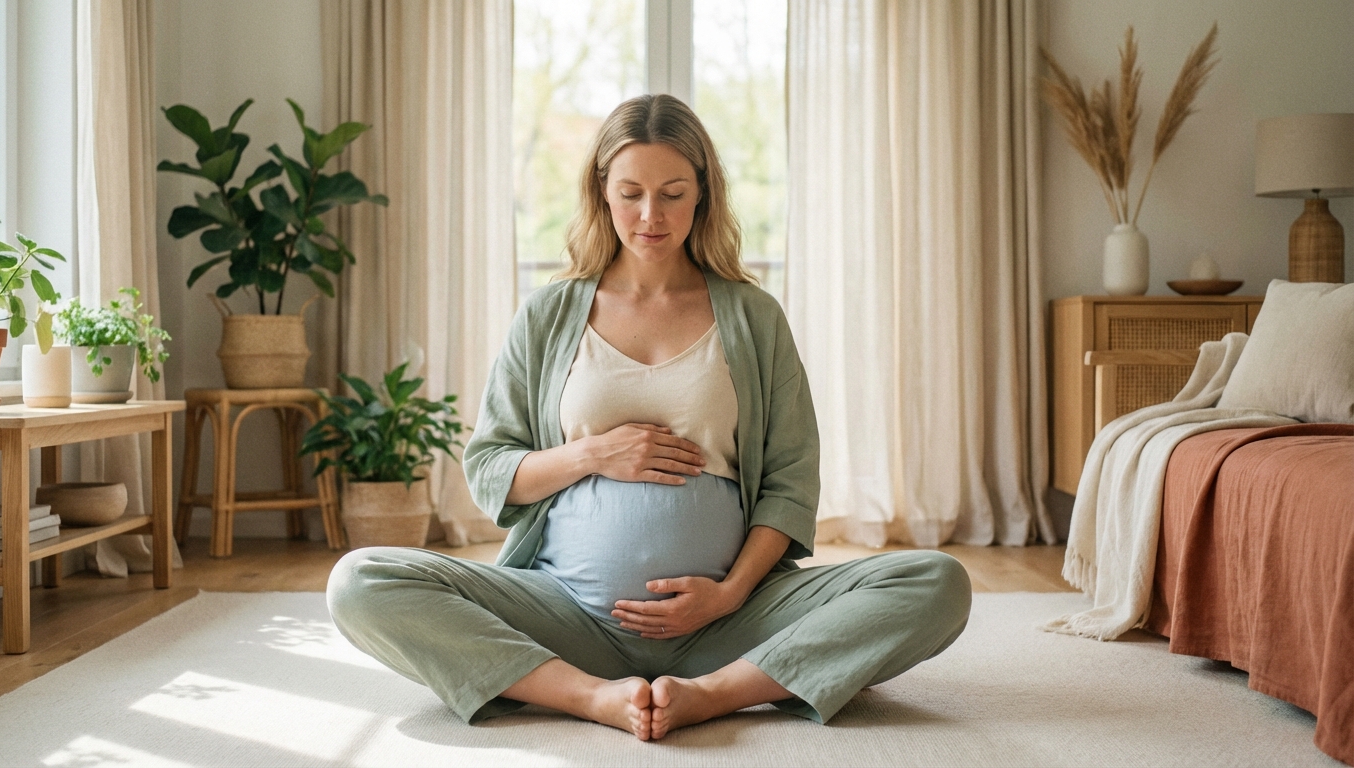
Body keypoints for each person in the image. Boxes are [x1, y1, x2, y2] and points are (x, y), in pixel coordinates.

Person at [327, 94, 971, 741]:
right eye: (630, 192)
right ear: (601, 190)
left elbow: (790, 479)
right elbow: (492, 469)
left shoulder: (753, 316)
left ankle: (714, 694)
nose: (649, 215)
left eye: (672, 193)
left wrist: (729, 594)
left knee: (936, 582)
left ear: (703, 194)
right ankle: (589, 696)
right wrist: (594, 454)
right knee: (360, 581)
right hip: (567, 613)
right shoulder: (550, 314)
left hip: (730, 619)